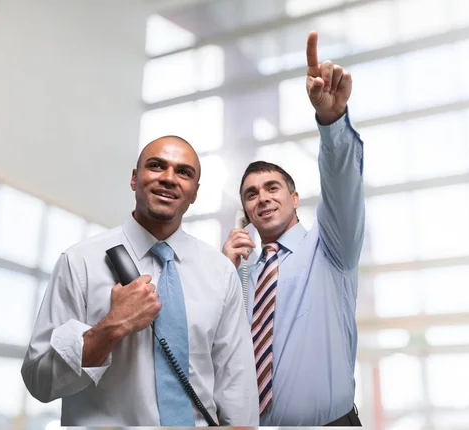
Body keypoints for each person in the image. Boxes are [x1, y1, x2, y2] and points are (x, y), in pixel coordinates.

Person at [22, 135, 259, 426]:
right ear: (134, 179)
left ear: (195, 192)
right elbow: (38, 381)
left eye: (184, 172)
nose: (169, 179)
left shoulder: (220, 272)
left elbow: (236, 382)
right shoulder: (79, 261)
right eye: (157, 166)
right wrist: (111, 327)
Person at [221, 31, 365, 426]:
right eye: (251, 195)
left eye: (272, 188)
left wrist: (331, 121)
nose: (262, 198)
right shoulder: (241, 273)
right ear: (245, 212)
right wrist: (221, 276)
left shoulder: (330, 247)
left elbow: (342, 185)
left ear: (295, 197)